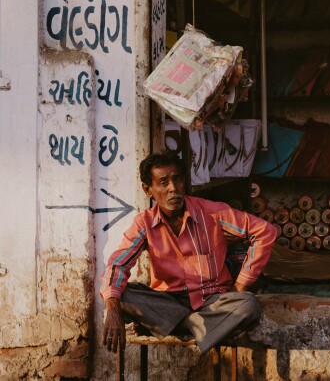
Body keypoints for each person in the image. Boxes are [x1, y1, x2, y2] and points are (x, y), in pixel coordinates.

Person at [100, 150, 277, 354]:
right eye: (163, 182)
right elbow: (118, 264)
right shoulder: (144, 223)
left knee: (248, 305)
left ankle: (184, 325)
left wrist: (240, 284)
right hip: (168, 303)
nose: (173, 188)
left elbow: (265, 231)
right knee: (121, 294)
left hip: (212, 302)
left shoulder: (212, 212)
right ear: (148, 190)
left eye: (177, 180)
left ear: (184, 182)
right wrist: (112, 308)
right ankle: (197, 326)